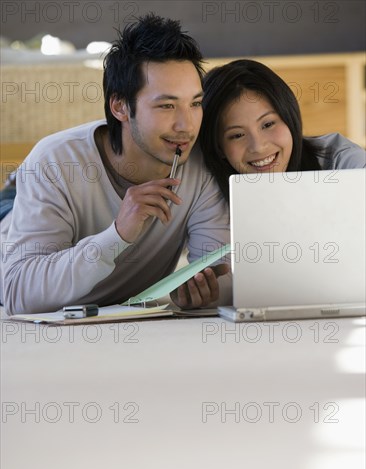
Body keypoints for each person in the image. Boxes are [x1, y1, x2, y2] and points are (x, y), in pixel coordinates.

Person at [0, 14, 231, 315]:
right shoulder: (55, 161)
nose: (186, 125)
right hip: (12, 213)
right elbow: (19, 294)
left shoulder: (202, 165)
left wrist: (206, 293)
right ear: (120, 106)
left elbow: (219, 275)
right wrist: (118, 234)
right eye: (166, 105)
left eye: (195, 103)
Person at [200, 59, 366, 201]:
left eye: (268, 124)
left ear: (289, 118)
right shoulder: (205, 191)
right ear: (219, 147)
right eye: (237, 135)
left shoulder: (339, 162)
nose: (258, 146)